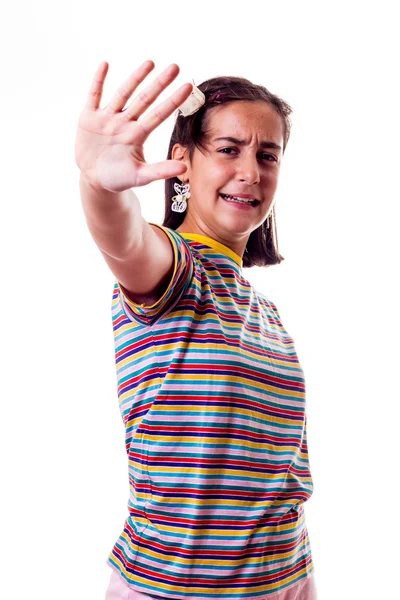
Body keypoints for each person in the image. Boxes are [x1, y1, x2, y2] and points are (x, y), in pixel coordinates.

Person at [75, 60, 318, 600]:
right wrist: (99, 187)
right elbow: (125, 240)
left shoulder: (263, 310)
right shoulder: (176, 269)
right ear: (182, 162)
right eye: (229, 149)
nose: (251, 171)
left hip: (285, 577)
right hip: (179, 588)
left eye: (267, 155)